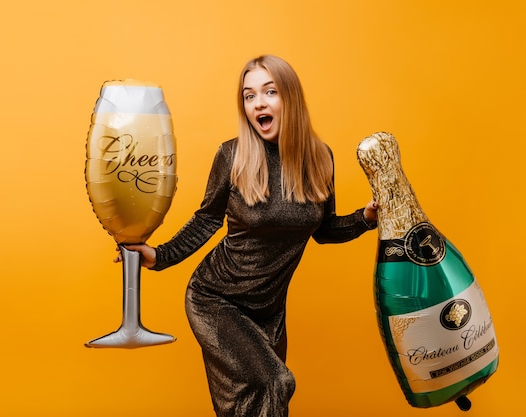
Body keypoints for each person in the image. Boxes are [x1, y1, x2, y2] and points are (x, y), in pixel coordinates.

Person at [116, 55, 378, 417]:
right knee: (276, 382)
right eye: (249, 95)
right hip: (217, 300)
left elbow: (324, 229)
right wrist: (160, 256)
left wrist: (366, 218)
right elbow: (207, 220)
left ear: (291, 98)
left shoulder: (320, 158)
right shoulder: (234, 155)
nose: (258, 103)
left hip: (270, 311)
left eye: (269, 92)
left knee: (259, 407)